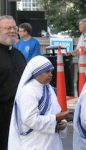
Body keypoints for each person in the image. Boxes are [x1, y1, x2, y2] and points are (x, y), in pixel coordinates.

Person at [8, 56, 69, 150]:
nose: (50, 75)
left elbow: (56, 110)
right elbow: (29, 119)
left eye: (51, 72)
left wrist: (62, 123)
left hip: (52, 141)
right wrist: (55, 118)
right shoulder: (28, 91)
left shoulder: (48, 88)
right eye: (47, 72)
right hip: (35, 142)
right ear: (37, 72)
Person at [0, 15, 26, 150]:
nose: (12, 30)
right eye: (8, 28)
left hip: (18, 113)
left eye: (14, 27)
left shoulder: (18, 54)